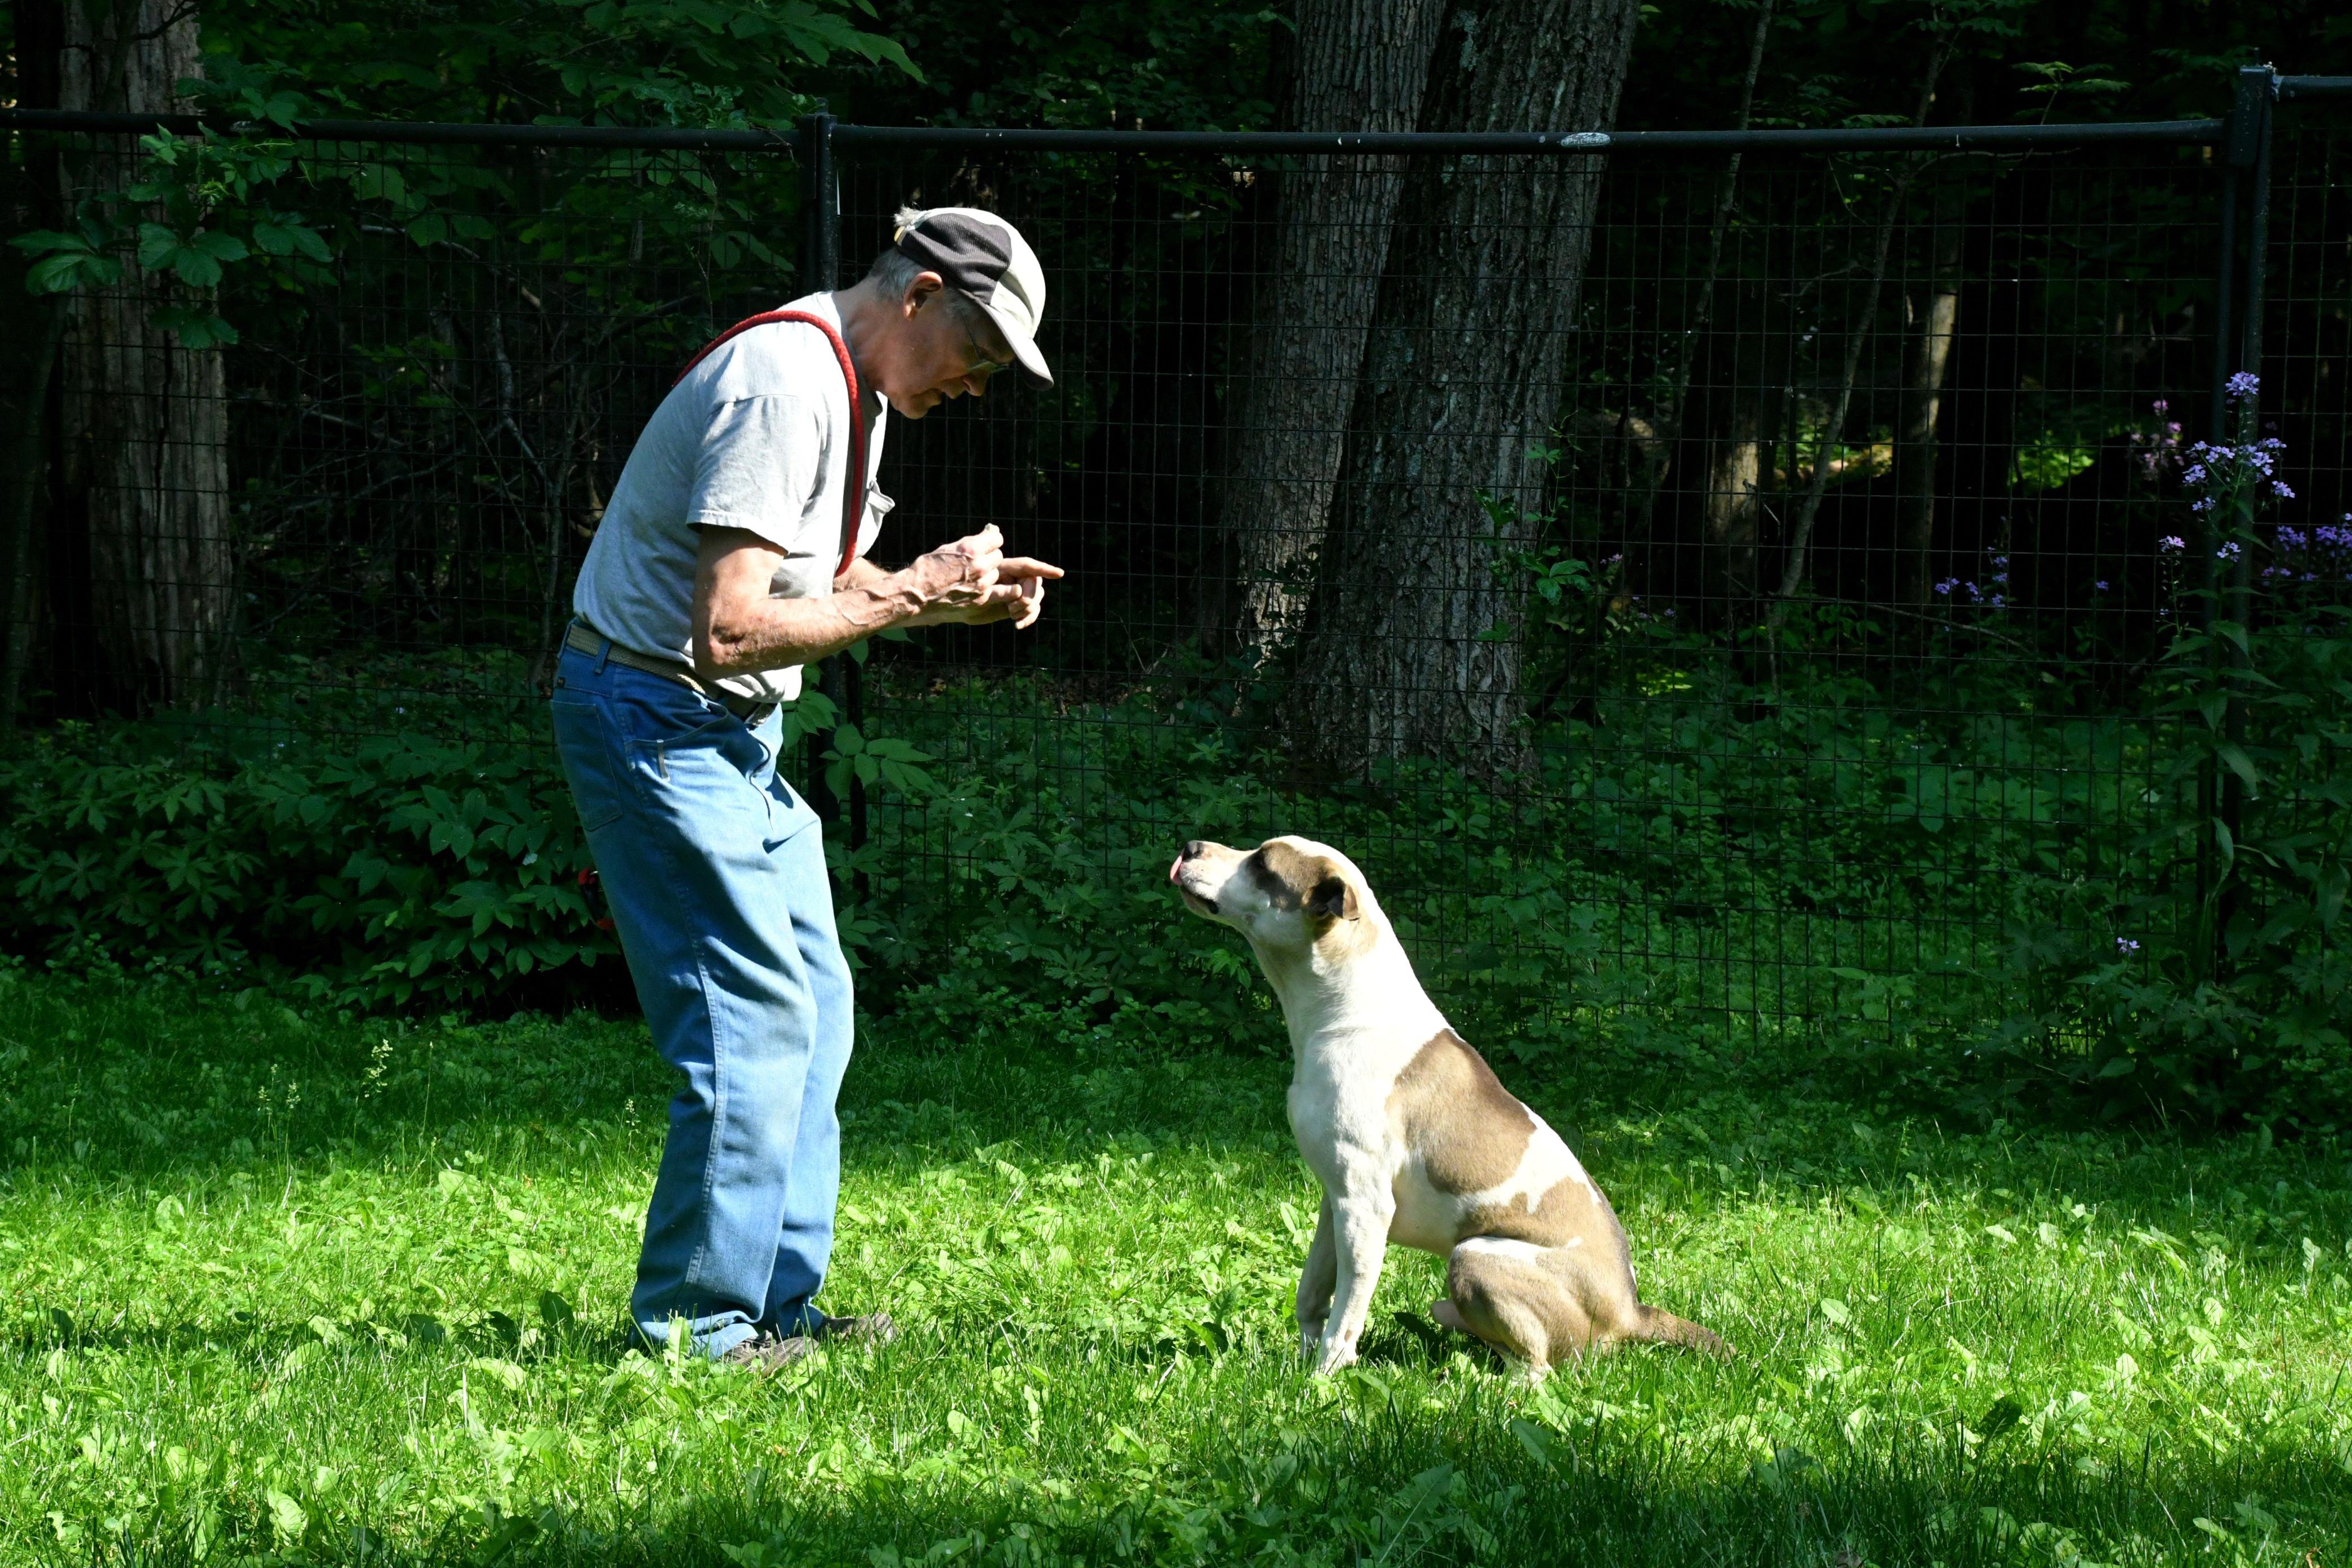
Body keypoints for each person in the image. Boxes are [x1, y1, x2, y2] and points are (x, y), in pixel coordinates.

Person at [551, 207, 1063, 1367]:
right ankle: (699, 1331)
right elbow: (730, 630)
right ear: (922, 293)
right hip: (657, 719)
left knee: (815, 1006)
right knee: (751, 1022)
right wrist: (914, 590)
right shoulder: (782, 383)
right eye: (978, 352)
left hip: (729, 734)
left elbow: (811, 582)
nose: (977, 385)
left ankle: (779, 1309)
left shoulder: (855, 389)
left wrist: (939, 596)